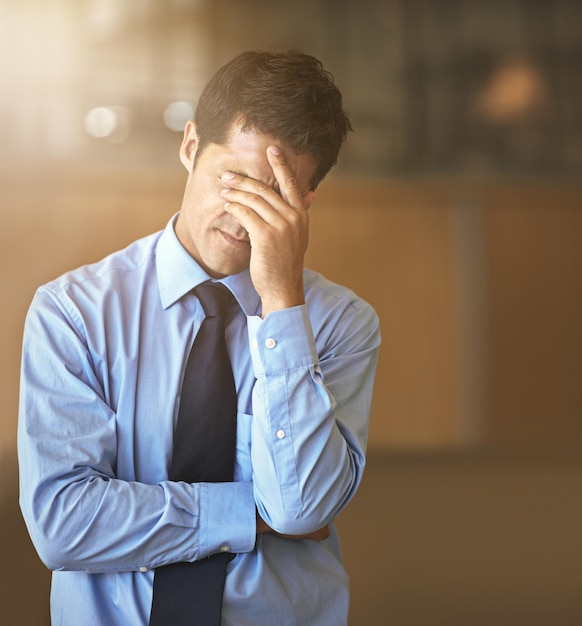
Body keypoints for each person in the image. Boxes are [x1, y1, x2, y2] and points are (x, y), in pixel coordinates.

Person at [18, 50, 381, 625]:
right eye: (232, 179)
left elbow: (301, 506)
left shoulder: (340, 323)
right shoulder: (74, 312)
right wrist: (248, 513)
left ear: (307, 201)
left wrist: (282, 303)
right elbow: (65, 525)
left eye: (275, 196)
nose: (244, 218)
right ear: (190, 147)